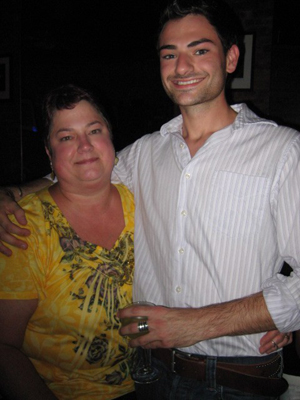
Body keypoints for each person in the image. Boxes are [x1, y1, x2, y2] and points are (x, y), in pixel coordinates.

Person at [0, 0, 299, 398]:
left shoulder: (282, 150)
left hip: (231, 380)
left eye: (199, 50)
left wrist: (198, 325)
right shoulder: (146, 152)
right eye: (169, 54)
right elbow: (82, 169)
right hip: (146, 375)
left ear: (230, 58)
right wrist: (10, 193)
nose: (182, 67)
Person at [0, 84, 137, 400]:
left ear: (111, 138)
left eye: (94, 130)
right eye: (66, 137)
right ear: (49, 153)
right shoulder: (24, 225)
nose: (85, 145)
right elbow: (5, 347)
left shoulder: (143, 204)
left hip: (153, 385)